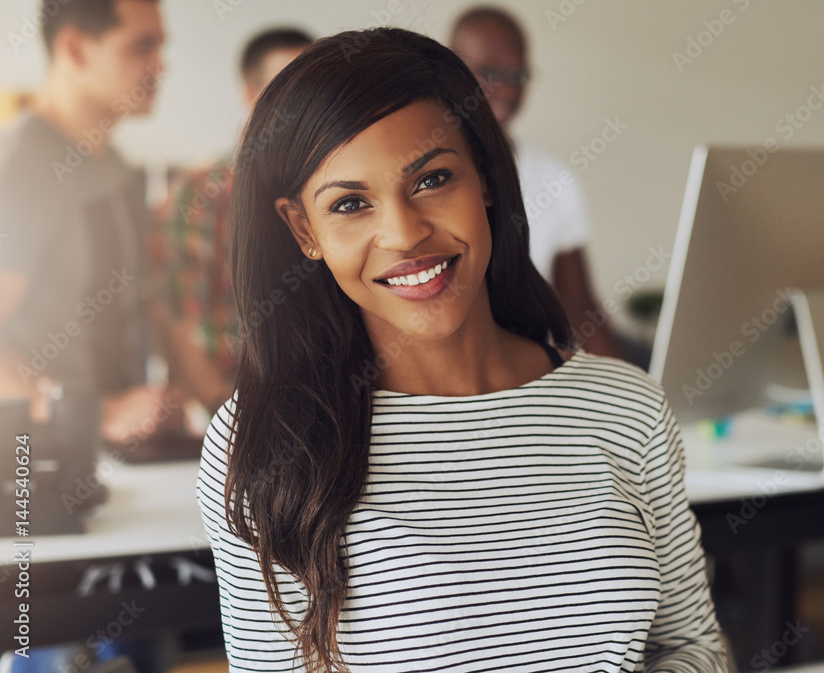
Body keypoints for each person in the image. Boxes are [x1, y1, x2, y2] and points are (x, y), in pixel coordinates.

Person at [197, 28, 730, 672]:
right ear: (303, 229)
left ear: (485, 178)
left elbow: (693, 648)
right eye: (351, 203)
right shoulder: (261, 441)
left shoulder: (627, 409)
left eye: (432, 179)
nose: (403, 233)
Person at [0, 0, 179, 445]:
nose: (161, 67)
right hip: (33, 463)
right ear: (76, 49)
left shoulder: (115, 167)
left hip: (114, 460)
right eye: (142, 47)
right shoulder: (17, 169)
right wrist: (98, 415)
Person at [150, 28, 312, 420]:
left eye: (308, 90)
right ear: (250, 93)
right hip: (227, 421)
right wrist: (232, 420)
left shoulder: (326, 188)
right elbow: (178, 320)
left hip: (316, 414)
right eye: (282, 89)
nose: (299, 105)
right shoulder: (200, 193)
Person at [449, 6, 626, 360]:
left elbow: (577, 303)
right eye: (491, 72)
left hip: (534, 361)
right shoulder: (423, 173)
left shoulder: (557, 178)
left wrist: (627, 390)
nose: (509, 92)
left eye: (518, 76)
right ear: (450, 69)